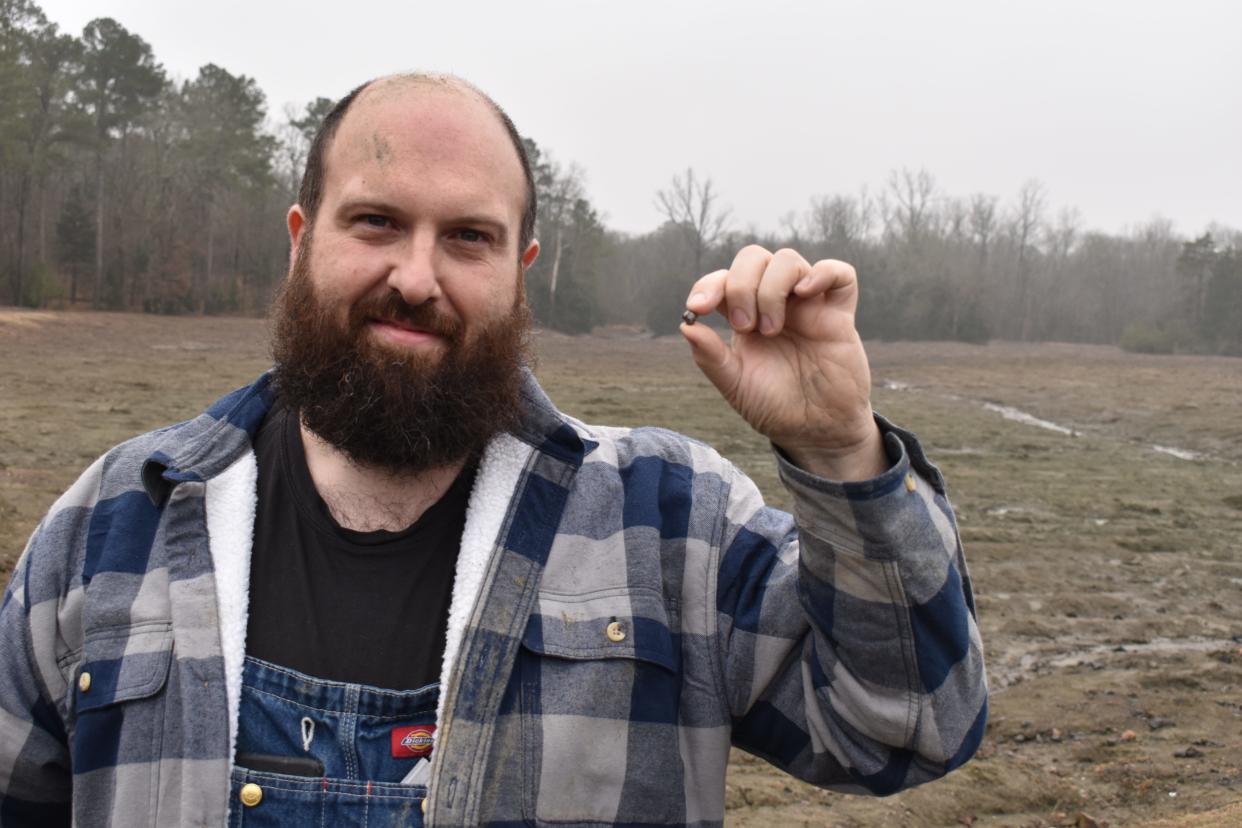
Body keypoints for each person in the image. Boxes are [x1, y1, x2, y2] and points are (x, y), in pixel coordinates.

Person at [0, 73, 986, 827]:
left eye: (467, 238)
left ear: (520, 273)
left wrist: (837, 448)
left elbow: (904, 729)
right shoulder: (117, 520)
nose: (417, 278)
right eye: (377, 221)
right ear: (302, 240)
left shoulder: (670, 523)